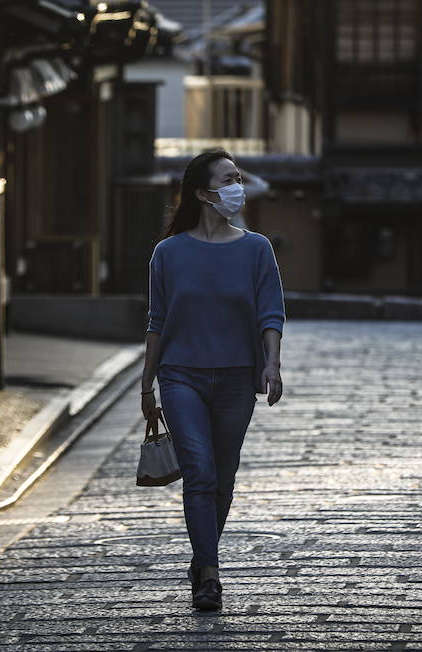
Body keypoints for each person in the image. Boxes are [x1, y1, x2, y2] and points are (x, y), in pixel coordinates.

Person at [141, 149, 285, 612]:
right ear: (204, 193)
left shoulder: (256, 248)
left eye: (237, 177)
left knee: (223, 478)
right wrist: (147, 386)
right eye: (228, 179)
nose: (237, 185)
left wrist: (271, 364)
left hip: (237, 378)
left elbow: (271, 312)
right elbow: (156, 322)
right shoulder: (168, 252)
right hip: (180, 375)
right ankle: (209, 572)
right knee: (199, 473)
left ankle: (201, 556)